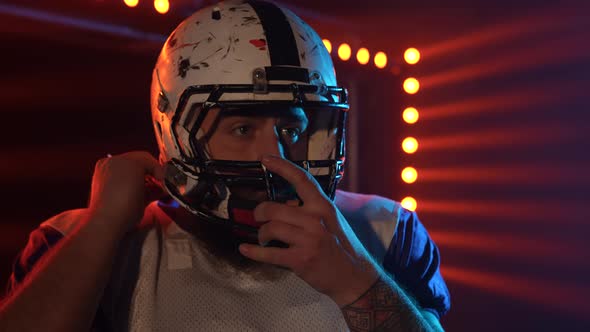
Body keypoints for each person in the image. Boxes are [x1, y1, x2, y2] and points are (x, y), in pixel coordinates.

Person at [0, 1, 450, 331]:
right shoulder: (78, 242)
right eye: (242, 128)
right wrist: (101, 228)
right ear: (175, 134)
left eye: (291, 129)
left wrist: (358, 283)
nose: (273, 157)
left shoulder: (388, 232)